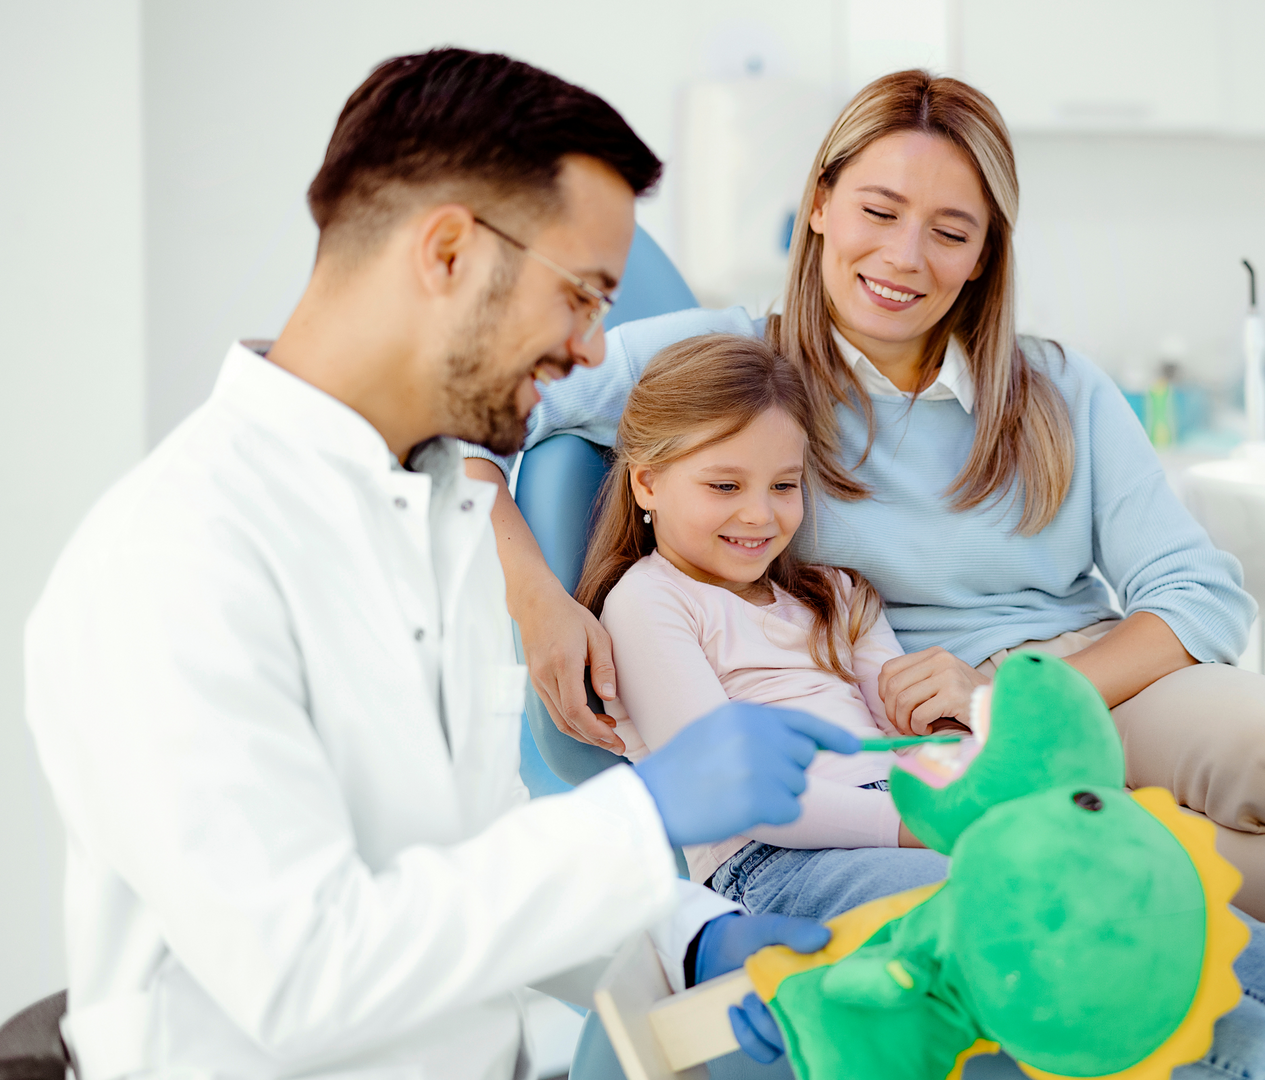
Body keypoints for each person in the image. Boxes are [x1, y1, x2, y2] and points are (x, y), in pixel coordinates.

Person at [466, 67, 1265, 1014]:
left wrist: (1023, 691)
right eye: (881, 209)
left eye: (952, 229)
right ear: (822, 204)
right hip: (912, 736)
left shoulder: (1050, 389)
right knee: (1241, 876)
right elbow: (473, 413)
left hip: (1081, 683)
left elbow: (1193, 594)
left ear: (987, 247)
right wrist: (534, 592)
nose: (906, 257)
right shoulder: (728, 370)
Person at [22, 49, 858, 1079]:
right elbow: (302, 975)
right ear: (451, 252)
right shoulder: (175, 558)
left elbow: (476, 854)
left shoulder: (442, 516)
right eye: (583, 297)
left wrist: (693, 935)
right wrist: (642, 817)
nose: (594, 352)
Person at [549, 331, 1265, 1080]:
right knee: (1052, 920)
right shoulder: (651, 604)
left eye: (782, 486)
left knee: (1150, 880)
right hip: (773, 857)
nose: (760, 515)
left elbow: (913, 723)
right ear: (645, 484)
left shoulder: (832, 594)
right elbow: (734, 790)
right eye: (722, 486)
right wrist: (913, 806)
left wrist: (964, 738)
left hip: (927, 814)